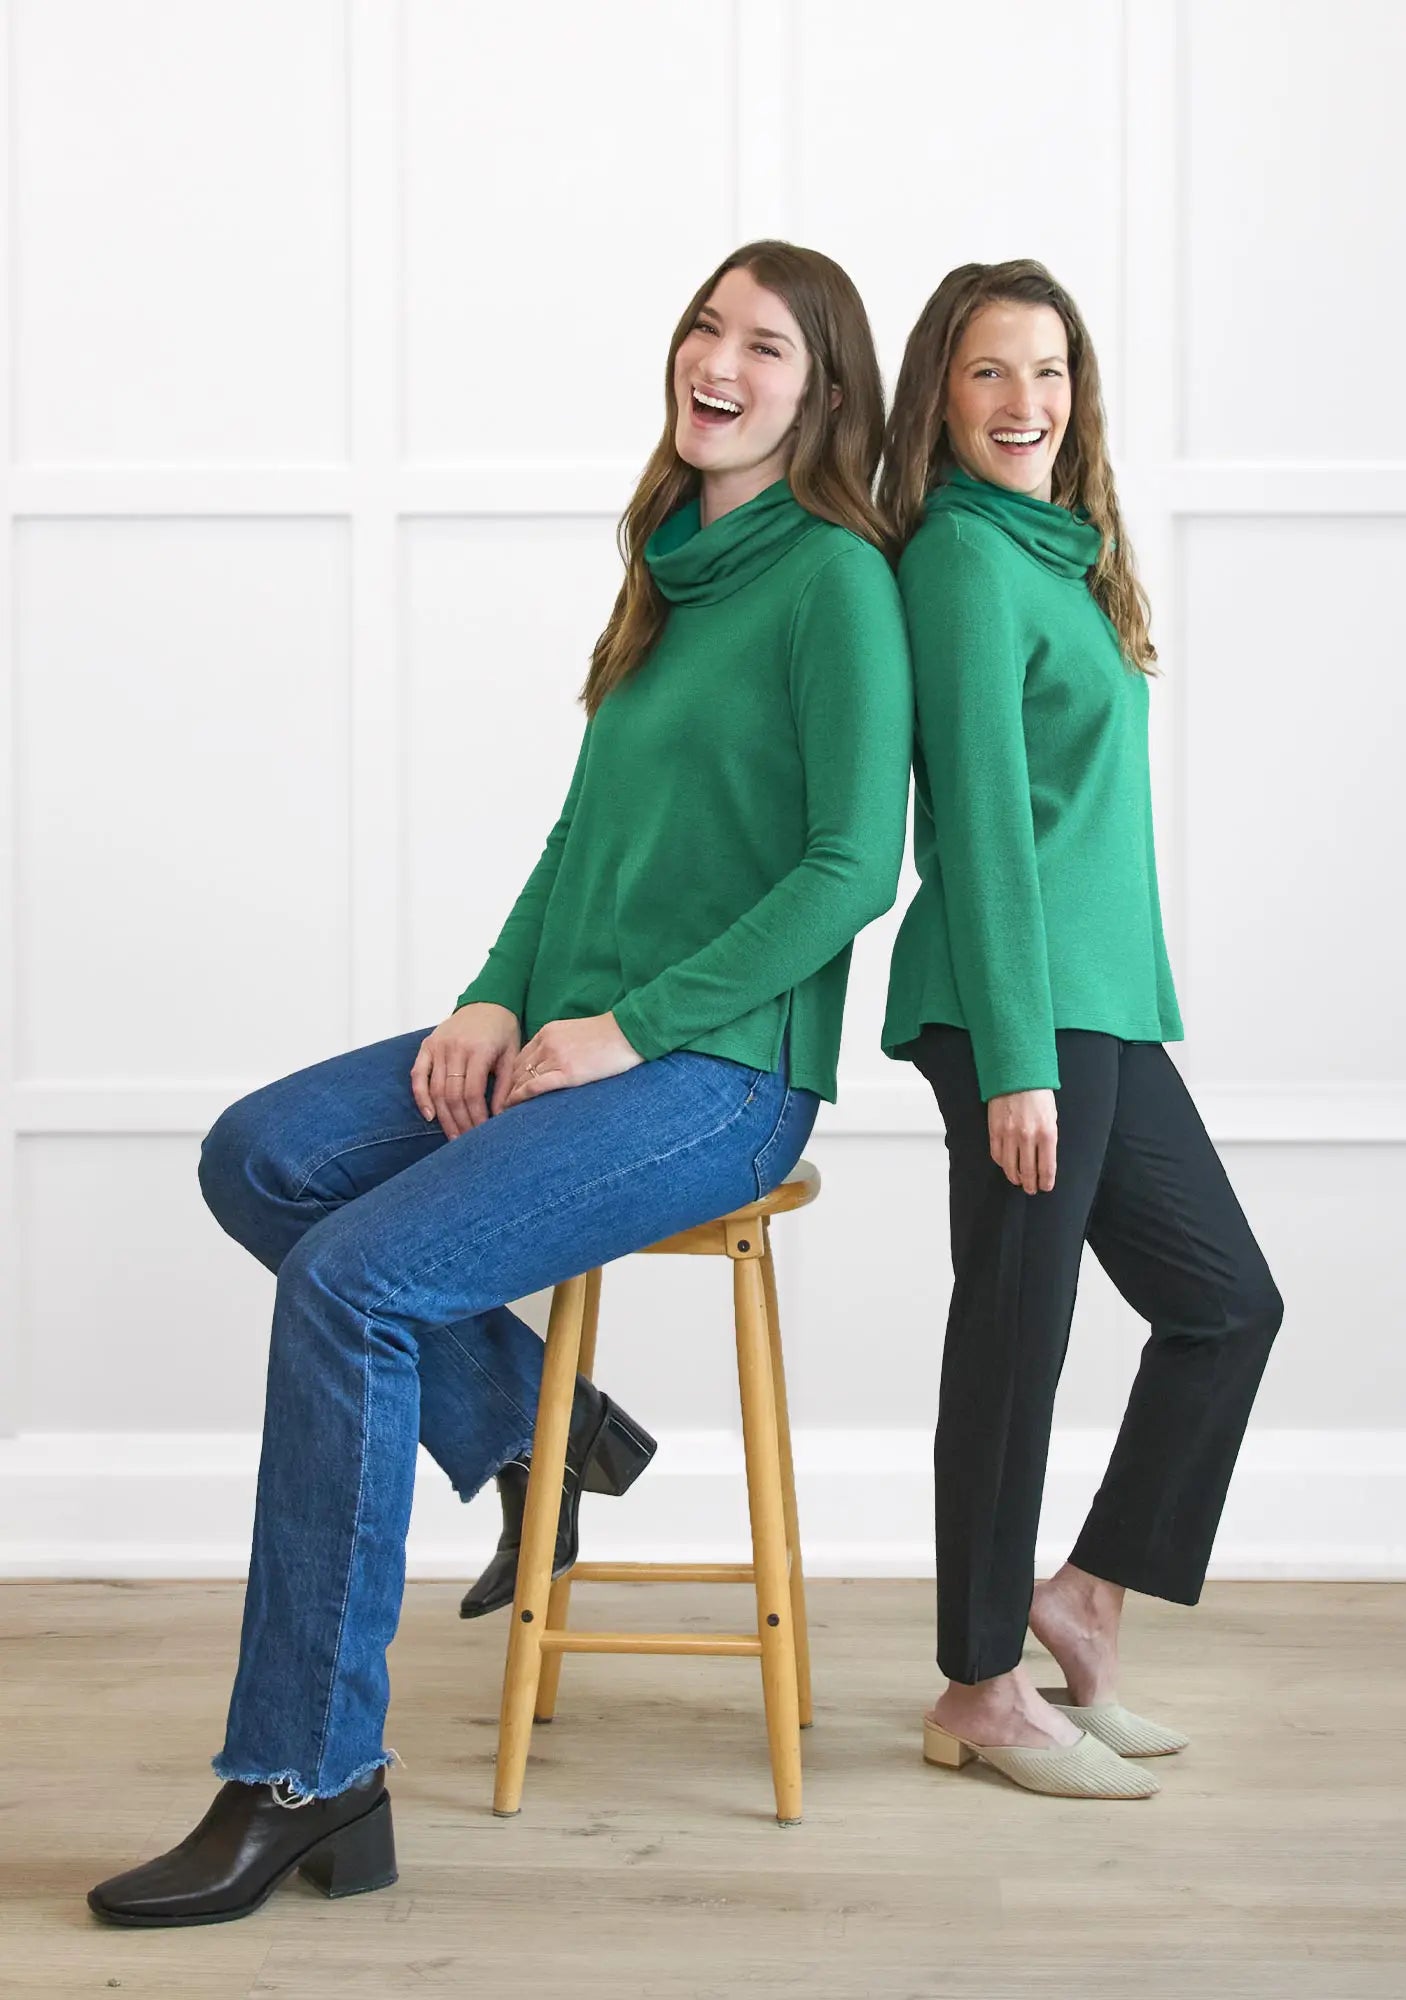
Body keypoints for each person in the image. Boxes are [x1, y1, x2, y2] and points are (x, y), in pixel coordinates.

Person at [87, 239, 912, 1926]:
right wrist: (492, 995)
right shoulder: (671, 560)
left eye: (767, 345)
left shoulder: (836, 578)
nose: (721, 361)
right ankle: (546, 1434)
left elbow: (850, 870)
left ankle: (309, 1774)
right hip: (574, 1029)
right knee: (265, 1157)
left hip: (719, 1075)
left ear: (822, 393)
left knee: (354, 1282)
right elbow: (581, 839)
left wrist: (638, 1023)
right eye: (705, 326)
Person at [879, 260, 1284, 1801]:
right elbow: (978, 818)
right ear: (943, 395)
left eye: (1048, 372)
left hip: (1104, 1002)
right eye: (990, 373)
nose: (1024, 402)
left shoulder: (1067, 557)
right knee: (1017, 1331)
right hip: (1019, 1009)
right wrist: (1022, 1055)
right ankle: (978, 1684)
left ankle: (1084, 1598)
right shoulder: (964, 561)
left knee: (1226, 1306)